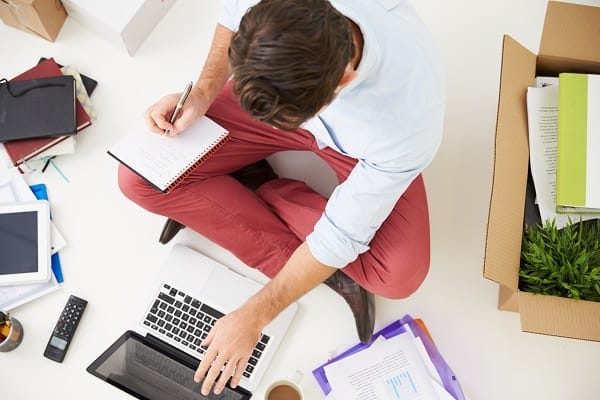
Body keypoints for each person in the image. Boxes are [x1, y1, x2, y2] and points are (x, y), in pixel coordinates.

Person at [118, 0, 444, 395]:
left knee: (397, 276)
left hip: (362, 153)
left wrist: (255, 316)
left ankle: (265, 187)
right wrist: (204, 91)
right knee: (141, 178)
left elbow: (340, 235)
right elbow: (231, 15)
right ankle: (302, 257)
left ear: (340, 83)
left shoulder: (406, 122)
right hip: (291, 92)